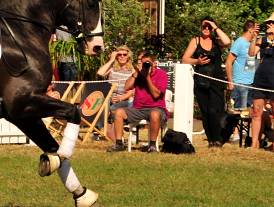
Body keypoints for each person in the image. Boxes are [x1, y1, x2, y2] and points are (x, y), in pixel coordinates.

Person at [181, 17, 231, 147]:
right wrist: (197, 61)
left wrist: (216, 27)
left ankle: (217, 139)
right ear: (200, 27)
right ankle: (211, 140)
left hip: (216, 80)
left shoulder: (217, 41)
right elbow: (185, 59)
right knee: (205, 113)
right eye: (205, 26)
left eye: (209, 27)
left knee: (214, 111)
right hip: (201, 81)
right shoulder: (195, 40)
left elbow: (227, 41)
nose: (207, 29)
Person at [108, 51, 169, 153]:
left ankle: (152, 146)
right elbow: (127, 87)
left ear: (154, 64)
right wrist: (136, 72)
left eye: (147, 63)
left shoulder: (162, 74)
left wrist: (147, 77)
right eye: (142, 62)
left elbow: (156, 94)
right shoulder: (137, 74)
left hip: (156, 108)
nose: (145, 66)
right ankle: (118, 144)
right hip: (137, 108)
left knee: (154, 114)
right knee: (119, 112)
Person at [226, 20, 258, 141]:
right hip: (239, 82)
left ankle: (244, 132)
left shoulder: (250, 43)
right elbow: (228, 63)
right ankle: (235, 135)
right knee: (238, 109)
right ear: (251, 30)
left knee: (250, 109)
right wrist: (230, 82)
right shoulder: (239, 43)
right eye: (256, 29)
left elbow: (249, 62)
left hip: (251, 82)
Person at [95, 46, 135, 140]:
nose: (122, 56)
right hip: (110, 97)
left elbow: (132, 91)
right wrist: (111, 60)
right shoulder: (112, 68)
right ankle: (96, 131)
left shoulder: (132, 71)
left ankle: (120, 130)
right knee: (104, 105)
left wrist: (121, 98)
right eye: (119, 54)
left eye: (124, 54)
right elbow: (100, 73)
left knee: (113, 108)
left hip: (124, 98)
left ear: (128, 57)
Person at [248, 15, 274, 150]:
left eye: (271, 23)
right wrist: (254, 38)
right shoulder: (262, 39)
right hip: (261, 78)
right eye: (268, 23)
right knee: (257, 111)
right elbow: (251, 53)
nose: (269, 24)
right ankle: (254, 144)